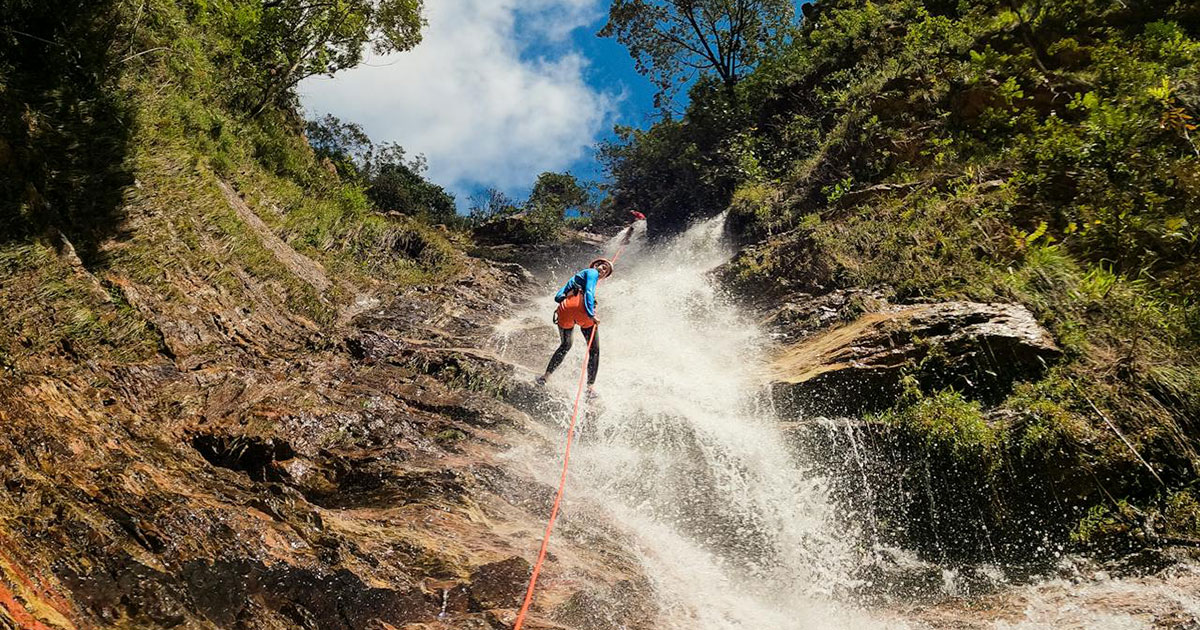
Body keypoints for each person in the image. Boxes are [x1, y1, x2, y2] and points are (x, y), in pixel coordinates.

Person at [536, 258, 614, 397]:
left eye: (606, 271)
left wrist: (569, 296)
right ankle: (590, 388)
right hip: (582, 312)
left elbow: (557, 297)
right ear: (595, 265)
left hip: (565, 311)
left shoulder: (576, 278)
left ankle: (545, 377)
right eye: (602, 267)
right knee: (594, 350)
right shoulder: (592, 273)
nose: (603, 270)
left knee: (565, 345)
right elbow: (589, 292)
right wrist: (591, 315)